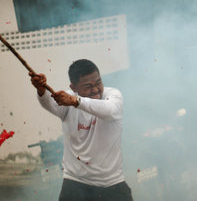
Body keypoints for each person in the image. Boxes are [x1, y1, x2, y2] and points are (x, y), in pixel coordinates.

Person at [29, 59, 133, 201]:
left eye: (98, 83)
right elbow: (50, 104)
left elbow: (110, 110)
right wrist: (41, 90)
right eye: (88, 86)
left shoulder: (112, 95)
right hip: (75, 181)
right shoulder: (67, 100)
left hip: (112, 183)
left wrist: (76, 102)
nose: (95, 89)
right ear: (74, 88)